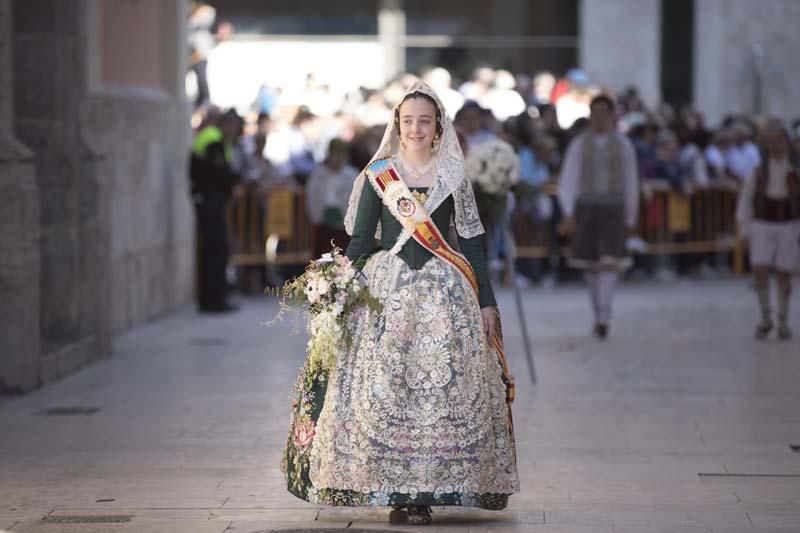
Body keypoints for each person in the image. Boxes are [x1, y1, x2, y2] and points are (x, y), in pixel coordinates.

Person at [281, 82, 519, 525]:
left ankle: (429, 488)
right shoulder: (379, 176)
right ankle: (393, 488)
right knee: (385, 384)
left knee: (440, 390)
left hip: (445, 291)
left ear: (437, 128)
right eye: (407, 120)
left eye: (423, 121)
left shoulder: (452, 176)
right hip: (385, 291)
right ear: (397, 125)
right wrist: (336, 291)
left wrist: (486, 301)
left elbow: (472, 241)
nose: (414, 128)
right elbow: (358, 242)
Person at [558, 95, 639, 339]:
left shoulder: (623, 145)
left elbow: (630, 180)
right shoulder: (579, 144)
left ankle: (604, 314)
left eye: (604, 112)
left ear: (612, 115)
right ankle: (597, 312)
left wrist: (631, 216)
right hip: (587, 208)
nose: (599, 117)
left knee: (609, 263)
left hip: (613, 208)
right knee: (591, 265)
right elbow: (568, 179)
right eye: (595, 112)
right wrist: (568, 211)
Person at [736, 125, 800, 340]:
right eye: (771, 141)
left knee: (785, 271)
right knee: (760, 268)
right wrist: (744, 230)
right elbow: (745, 199)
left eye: (779, 140)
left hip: (789, 224)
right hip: (762, 223)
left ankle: (783, 319)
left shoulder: (795, 169)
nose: (776, 145)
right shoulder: (758, 171)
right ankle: (765, 317)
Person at [189, 109, 242, 312]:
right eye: (234, 126)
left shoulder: (216, 139)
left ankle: (212, 299)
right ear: (226, 125)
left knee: (213, 250)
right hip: (210, 202)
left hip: (210, 201)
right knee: (216, 251)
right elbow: (219, 172)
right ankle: (214, 300)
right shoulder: (213, 139)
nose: (235, 131)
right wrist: (234, 178)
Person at [304, 139, 358, 257]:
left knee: (342, 258)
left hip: (343, 224)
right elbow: (311, 197)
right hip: (322, 223)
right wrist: (315, 216)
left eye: (341, 154)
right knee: (321, 259)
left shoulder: (352, 175)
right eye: (335, 154)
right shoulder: (318, 175)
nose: (337, 158)